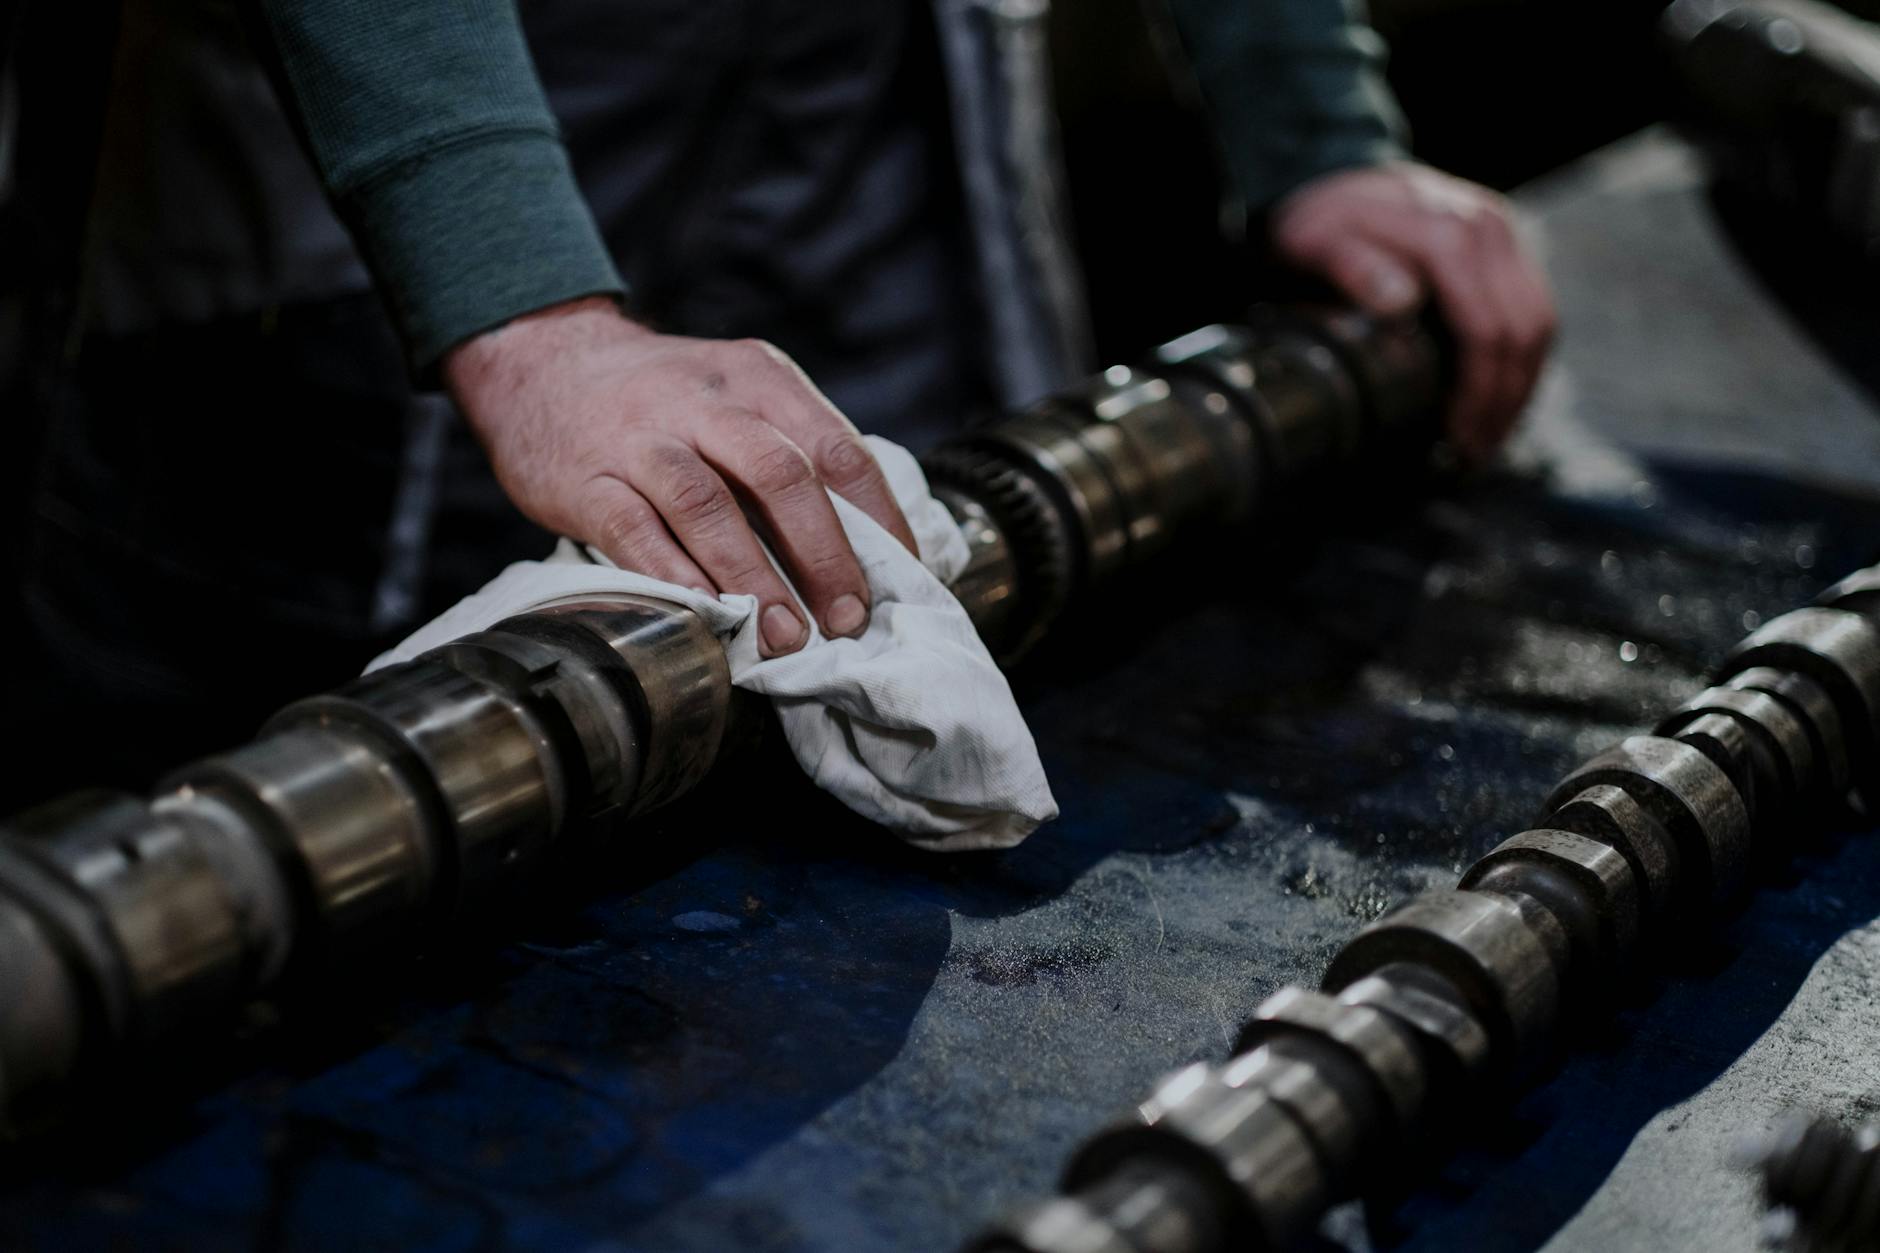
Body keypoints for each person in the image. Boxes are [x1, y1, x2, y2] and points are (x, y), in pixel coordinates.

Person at [6, 0, 1551, 799]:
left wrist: (1317, 126)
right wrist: (517, 305)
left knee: (870, 620)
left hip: (849, 104)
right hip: (405, 120)